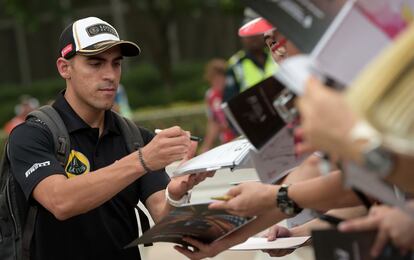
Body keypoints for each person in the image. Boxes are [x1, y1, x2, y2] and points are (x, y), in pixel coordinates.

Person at [8, 16, 213, 260]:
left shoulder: (134, 137)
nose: (110, 75)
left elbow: (163, 214)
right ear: (65, 68)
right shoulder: (32, 134)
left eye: (116, 64)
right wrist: (142, 160)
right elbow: (60, 201)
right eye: (96, 63)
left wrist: (178, 191)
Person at [223, 9, 277, 104]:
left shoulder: (276, 57)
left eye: (257, 33)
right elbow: (229, 102)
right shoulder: (236, 64)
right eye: (249, 34)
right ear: (242, 38)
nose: (254, 37)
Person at [199, 59, 235, 153]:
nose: (217, 82)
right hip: (226, 142)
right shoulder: (210, 96)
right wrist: (206, 146)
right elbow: (213, 122)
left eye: (220, 78)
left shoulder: (232, 92)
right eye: (214, 79)